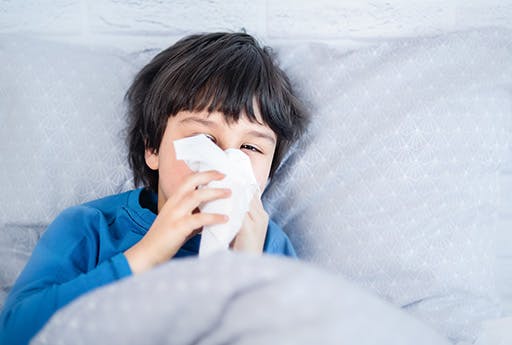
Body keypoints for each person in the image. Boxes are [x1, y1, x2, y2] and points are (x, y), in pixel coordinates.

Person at [0, 32, 308, 345]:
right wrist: (147, 255)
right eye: (204, 140)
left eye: (250, 148)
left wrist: (246, 273)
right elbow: (13, 333)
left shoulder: (270, 247)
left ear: (268, 173)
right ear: (153, 149)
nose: (227, 164)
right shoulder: (89, 229)